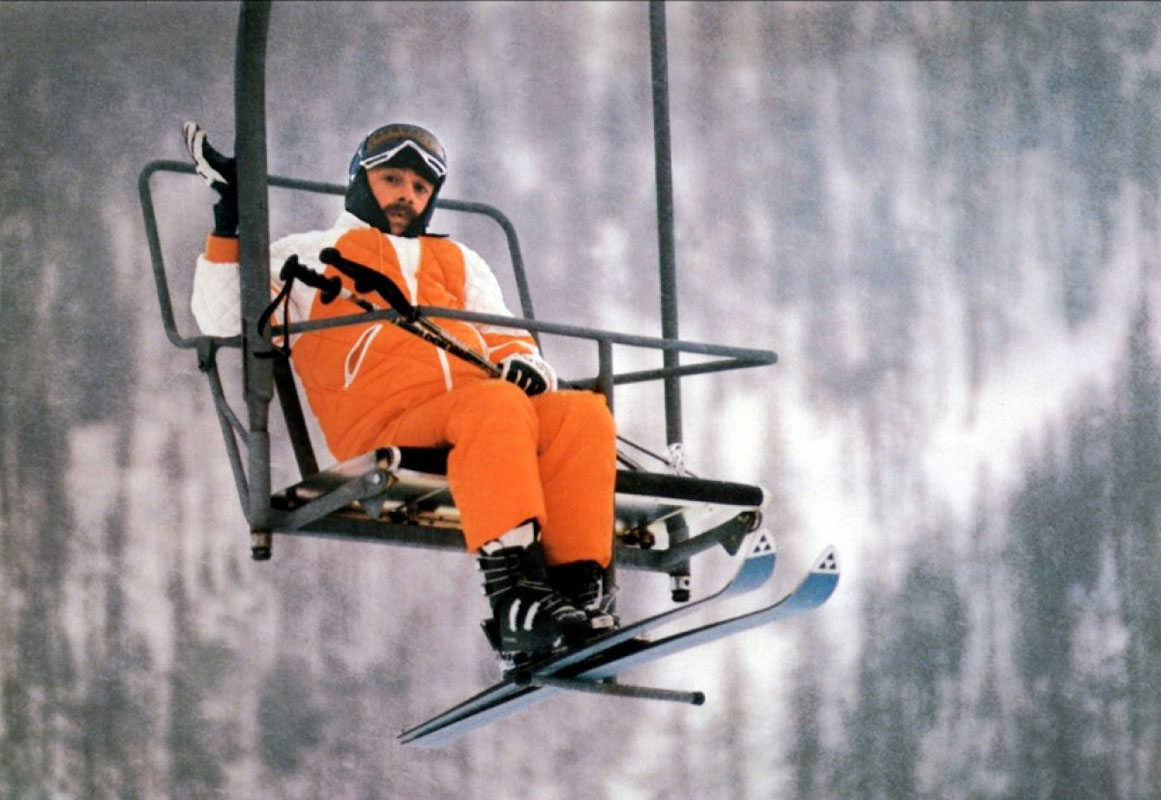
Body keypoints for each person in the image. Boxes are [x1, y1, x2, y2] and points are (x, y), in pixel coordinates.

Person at [184, 121, 617, 661]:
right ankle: (517, 602)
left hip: (478, 414)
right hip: (386, 425)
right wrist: (231, 218)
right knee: (496, 405)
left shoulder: (459, 261)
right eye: (392, 179)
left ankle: (578, 592)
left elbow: (507, 337)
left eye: (419, 188)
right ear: (360, 181)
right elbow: (223, 317)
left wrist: (525, 365)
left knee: (582, 414)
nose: (406, 197)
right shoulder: (313, 255)